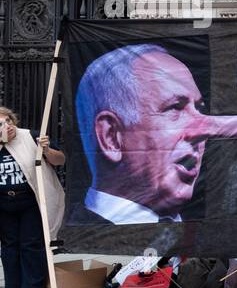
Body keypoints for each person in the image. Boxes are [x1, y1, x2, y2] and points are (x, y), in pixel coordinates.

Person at [71, 43, 208, 225]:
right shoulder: (81, 241)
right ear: (111, 137)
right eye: (176, 108)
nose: (203, 129)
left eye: (199, 109)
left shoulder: (204, 235)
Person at [0, 106, 65, 288]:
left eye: (9, 121)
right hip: (4, 204)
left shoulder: (31, 137)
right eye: (0, 124)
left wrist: (47, 149)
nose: (8, 126)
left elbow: (60, 160)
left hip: (31, 203)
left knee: (31, 244)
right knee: (9, 247)